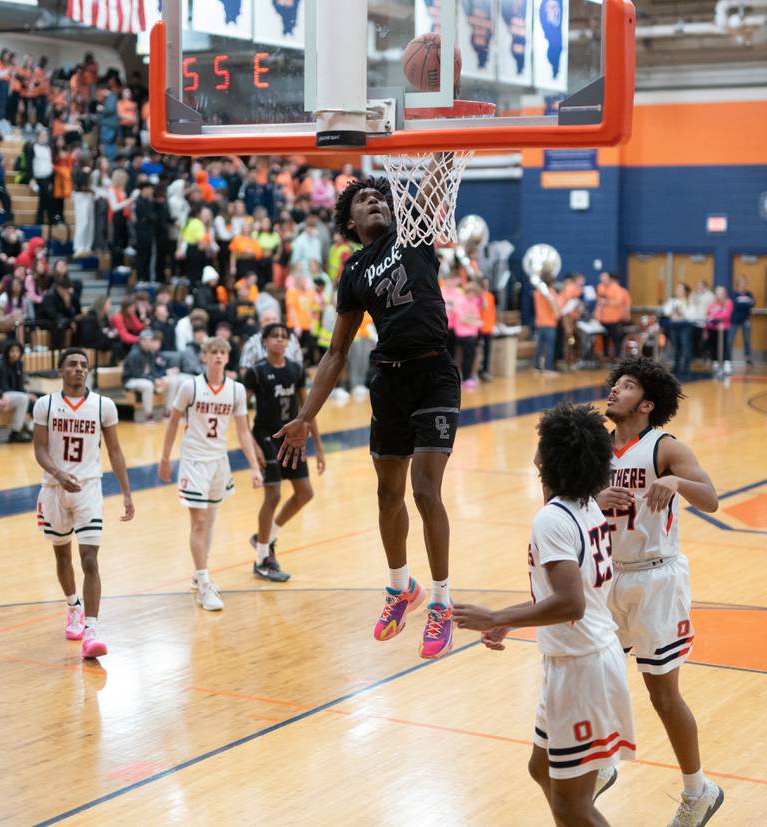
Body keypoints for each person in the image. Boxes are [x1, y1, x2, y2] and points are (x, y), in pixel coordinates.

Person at [276, 172, 462, 660]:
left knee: (425, 489)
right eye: (364, 199)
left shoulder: (413, 235)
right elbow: (335, 353)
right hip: (389, 381)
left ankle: (441, 602)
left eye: (381, 196)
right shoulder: (354, 272)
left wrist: (445, 136)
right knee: (387, 493)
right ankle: (400, 588)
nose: (375, 201)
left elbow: (433, 186)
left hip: (434, 374)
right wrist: (305, 417)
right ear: (349, 220)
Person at [453, 403, 635, 827]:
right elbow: (570, 595)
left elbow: (570, 603)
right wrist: (508, 621)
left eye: (542, 446)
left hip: (582, 667)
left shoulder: (552, 519)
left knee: (573, 807)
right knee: (541, 771)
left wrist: (495, 614)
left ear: (551, 459)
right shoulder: (585, 504)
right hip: (576, 658)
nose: (535, 452)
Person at [600, 356, 724, 826]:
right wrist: (592, 498)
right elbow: (560, 495)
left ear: (647, 404)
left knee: (662, 695)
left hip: (656, 579)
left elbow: (710, 497)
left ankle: (699, 790)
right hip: (607, 576)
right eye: (615, 384)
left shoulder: (663, 446)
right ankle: (602, 763)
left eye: (626, 386)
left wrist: (675, 480)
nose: (614, 391)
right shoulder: (595, 445)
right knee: (595, 675)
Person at [32, 348, 135, 658]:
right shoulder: (45, 405)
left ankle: (91, 631)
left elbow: (115, 451)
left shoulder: (103, 405)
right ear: (60, 370)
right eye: (72, 365)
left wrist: (127, 493)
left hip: (89, 487)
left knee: (90, 558)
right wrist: (58, 473)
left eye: (83, 365)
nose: (78, 369)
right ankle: (72, 606)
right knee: (62, 557)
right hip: (53, 488)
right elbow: (39, 449)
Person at [158, 337, 263, 611]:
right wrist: (165, 458)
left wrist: (253, 467)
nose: (218, 356)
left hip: (219, 461)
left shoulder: (236, 390)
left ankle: (198, 571)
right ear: (204, 357)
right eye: (213, 352)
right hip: (193, 460)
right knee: (200, 521)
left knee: (211, 521)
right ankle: (204, 584)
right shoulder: (189, 387)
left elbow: (242, 431)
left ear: (228, 357)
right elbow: (171, 424)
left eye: (222, 352)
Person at [243, 323, 325, 582]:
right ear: (264, 341)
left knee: (305, 493)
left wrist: (319, 449)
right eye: (274, 336)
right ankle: (261, 560)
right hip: (266, 436)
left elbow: (307, 410)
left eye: (283, 337)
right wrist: (253, 446)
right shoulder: (255, 372)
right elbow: (241, 412)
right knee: (274, 494)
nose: (279, 340)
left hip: (292, 437)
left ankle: (265, 539)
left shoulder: (295, 369)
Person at [729, 275, 755, 367]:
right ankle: (727, 358)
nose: (744, 284)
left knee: (747, 339)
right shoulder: (734, 294)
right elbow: (737, 305)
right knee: (730, 339)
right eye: (742, 282)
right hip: (734, 320)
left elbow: (752, 304)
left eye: (745, 282)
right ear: (738, 284)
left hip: (745, 320)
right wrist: (746, 304)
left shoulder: (749, 294)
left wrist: (744, 304)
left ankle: (748, 358)